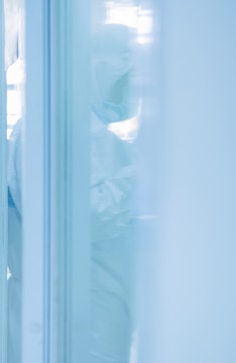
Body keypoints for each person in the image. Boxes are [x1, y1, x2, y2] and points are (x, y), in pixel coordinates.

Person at [89, 23, 140, 363]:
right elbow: (94, 215)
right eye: (124, 81)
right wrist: (141, 174)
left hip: (104, 295)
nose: (130, 91)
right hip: (93, 302)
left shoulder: (98, 132)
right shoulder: (83, 132)